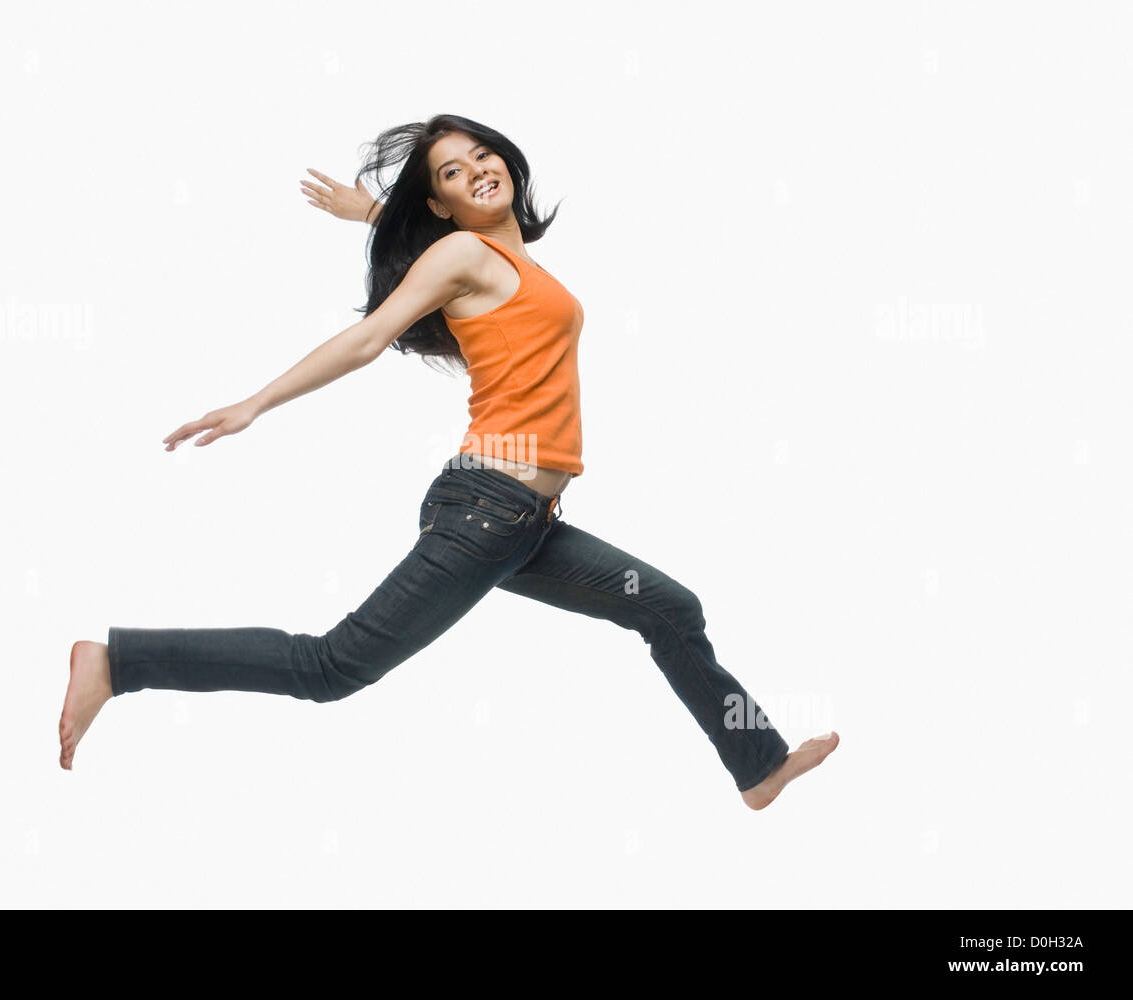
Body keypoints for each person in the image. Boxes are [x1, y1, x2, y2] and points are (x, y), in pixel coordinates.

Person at [59, 114, 839, 808]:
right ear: (442, 204)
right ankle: (117, 662)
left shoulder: (501, 258)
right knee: (331, 667)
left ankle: (758, 764)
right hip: (484, 510)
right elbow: (369, 337)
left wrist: (372, 213)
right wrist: (255, 402)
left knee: (669, 607)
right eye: (453, 174)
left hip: (524, 523)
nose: (478, 171)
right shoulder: (464, 251)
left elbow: (441, 248)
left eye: (481, 155)